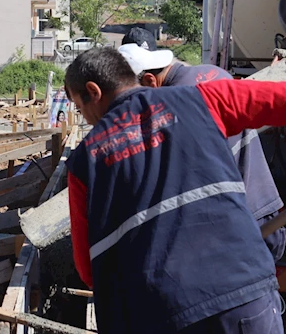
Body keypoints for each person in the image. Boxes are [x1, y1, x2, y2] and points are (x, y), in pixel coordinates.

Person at [65, 48, 286, 334]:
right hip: (241, 295)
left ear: (93, 91)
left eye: (80, 109)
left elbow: (87, 270)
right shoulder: (203, 98)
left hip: (155, 314)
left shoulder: (84, 162)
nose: (87, 119)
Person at [118, 28, 286, 262]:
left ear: (149, 81)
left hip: (238, 232)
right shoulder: (214, 73)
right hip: (265, 210)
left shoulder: (176, 105)